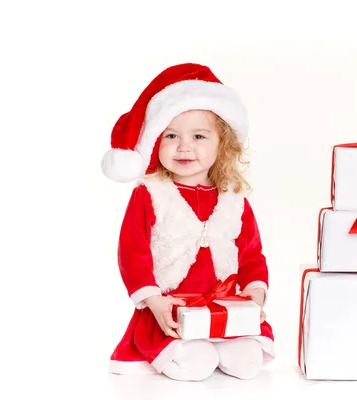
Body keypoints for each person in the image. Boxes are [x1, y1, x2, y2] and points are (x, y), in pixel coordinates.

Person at [101, 63, 274, 381]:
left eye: (198, 136)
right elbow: (132, 252)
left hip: (225, 309)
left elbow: (251, 253)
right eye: (171, 135)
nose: (183, 146)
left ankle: (221, 344)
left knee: (249, 363)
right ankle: (178, 347)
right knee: (195, 365)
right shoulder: (150, 194)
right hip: (170, 311)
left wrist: (254, 295)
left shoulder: (234, 198)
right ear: (155, 141)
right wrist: (154, 301)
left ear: (223, 144)